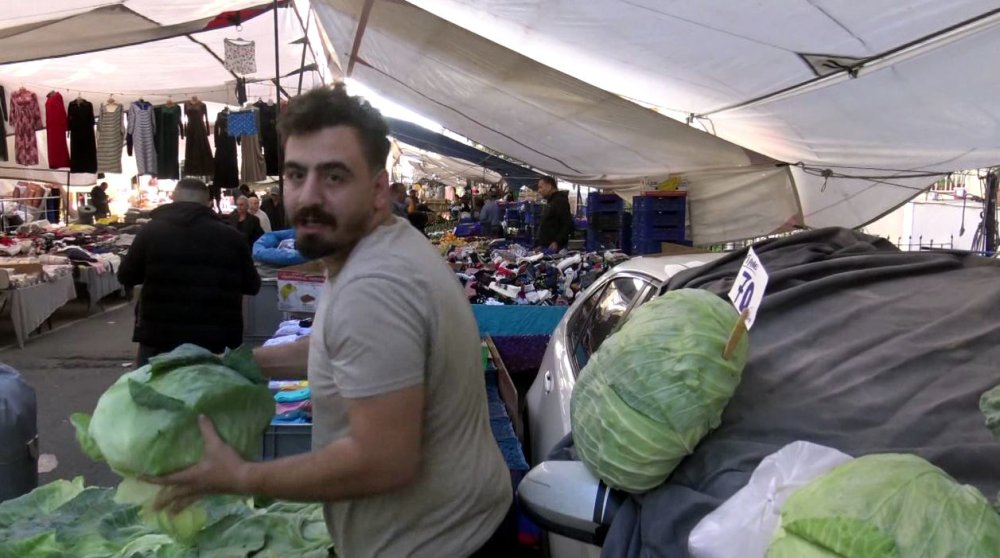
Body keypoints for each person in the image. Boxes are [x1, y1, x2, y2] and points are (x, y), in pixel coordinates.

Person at [147, 84, 513, 558]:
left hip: (437, 543)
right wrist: (231, 364)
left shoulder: (374, 288)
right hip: (462, 526)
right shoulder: (373, 246)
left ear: (378, 189)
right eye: (297, 175)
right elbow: (333, 347)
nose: (309, 196)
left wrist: (241, 476)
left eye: (335, 177)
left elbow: (382, 461)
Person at [117, 178, 261, 365]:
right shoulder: (231, 237)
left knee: (154, 391)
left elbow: (126, 276)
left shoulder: (151, 232)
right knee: (210, 392)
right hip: (215, 341)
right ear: (209, 203)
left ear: (173, 197)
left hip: (159, 339)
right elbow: (252, 285)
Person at [535, 175, 573, 251]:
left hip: (554, 248)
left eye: (541, 187)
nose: (539, 190)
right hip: (545, 247)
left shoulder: (560, 201)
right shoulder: (551, 202)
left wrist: (557, 241)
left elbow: (566, 223)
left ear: (549, 187)